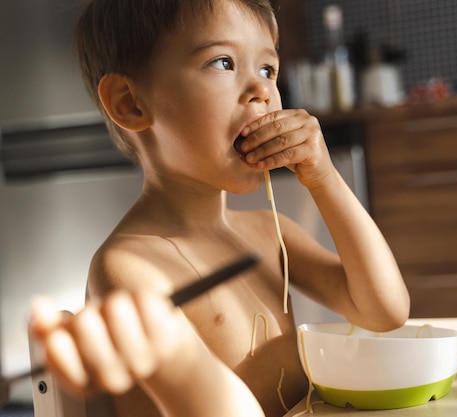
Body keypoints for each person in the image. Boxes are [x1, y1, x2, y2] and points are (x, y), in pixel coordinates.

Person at [28, 0, 410, 416]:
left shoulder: (268, 232)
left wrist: (325, 178)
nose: (262, 90)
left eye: (268, 69)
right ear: (130, 103)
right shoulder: (129, 268)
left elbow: (384, 310)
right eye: (223, 62)